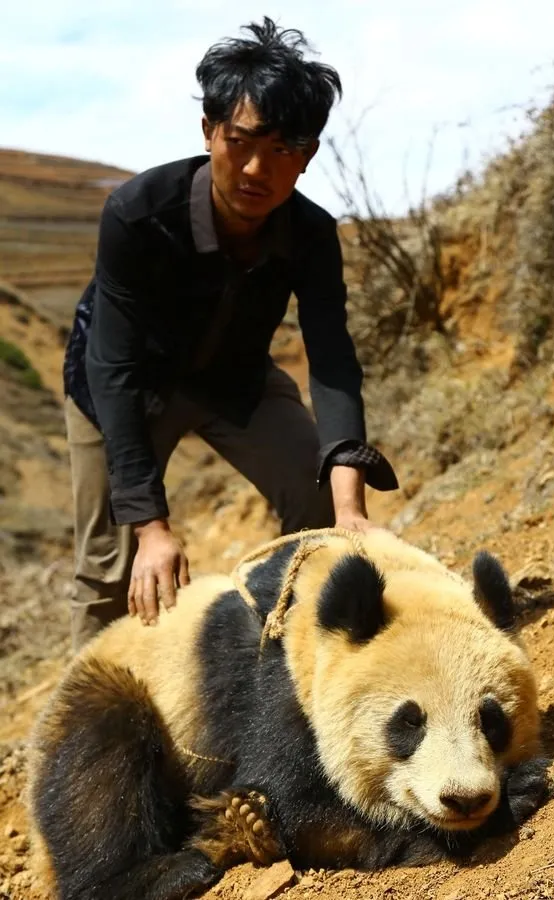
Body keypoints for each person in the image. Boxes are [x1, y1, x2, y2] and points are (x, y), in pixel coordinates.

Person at [62, 16, 398, 652]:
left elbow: (330, 355)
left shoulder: (311, 233)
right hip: (124, 386)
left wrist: (349, 501)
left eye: (282, 151)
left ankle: (287, 662)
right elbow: (113, 366)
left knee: (320, 496)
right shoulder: (136, 214)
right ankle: (82, 738)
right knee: (108, 567)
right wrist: (152, 526)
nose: (255, 169)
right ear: (209, 130)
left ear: (309, 154)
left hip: (233, 377)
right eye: (241, 141)